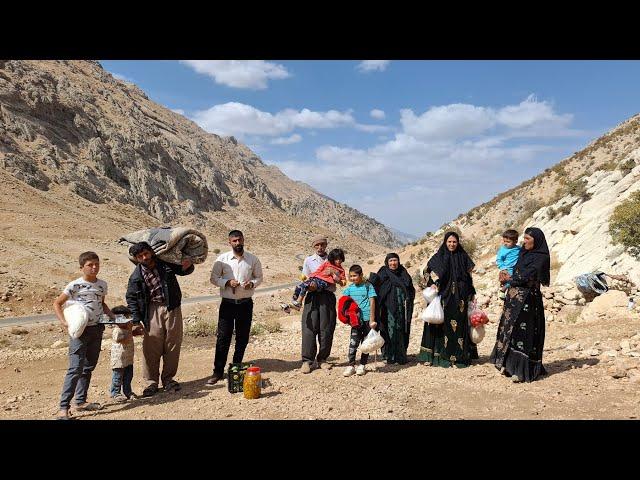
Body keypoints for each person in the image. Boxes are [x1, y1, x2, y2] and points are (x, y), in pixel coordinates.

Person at [125, 241, 194, 397]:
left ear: (151, 252)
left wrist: (187, 265)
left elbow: (182, 270)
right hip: (151, 310)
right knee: (151, 346)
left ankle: (168, 379)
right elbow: (131, 298)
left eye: (146, 253)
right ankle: (151, 382)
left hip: (172, 307)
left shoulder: (165, 264)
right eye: (140, 256)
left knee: (173, 344)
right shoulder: (136, 276)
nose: (144, 257)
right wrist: (136, 321)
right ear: (136, 258)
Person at [54, 251, 113, 419]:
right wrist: (65, 322)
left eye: (97, 264)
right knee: (75, 368)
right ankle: (63, 407)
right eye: (90, 265)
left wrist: (114, 317)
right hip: (80, 332)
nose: (94, 267)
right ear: (82, 268)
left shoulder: (102, 285)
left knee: (88, 367)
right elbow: (57, 303)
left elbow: (102, 303)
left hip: (97, 329)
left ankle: (80, 402)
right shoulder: (75, 285)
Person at [490, 227, 550, 383]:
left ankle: (523, 370)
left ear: (536, 241)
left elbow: (526, 276)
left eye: (528, 239)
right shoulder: (523, 253)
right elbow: (515, 270)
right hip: (513, 298)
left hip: (529, 301)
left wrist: (509, 279)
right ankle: (509, 366)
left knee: (526, 332)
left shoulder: (540, 257)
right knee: (511, 331)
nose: (525, 241)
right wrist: (504, 276)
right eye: (524, 238)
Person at [207, 230, 263, 385]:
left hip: (245, 304)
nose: (238, 243)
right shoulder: (222, 259)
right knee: (223, 338)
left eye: (239, 240)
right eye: (234, 241)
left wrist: (252, 283)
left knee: (242, 337)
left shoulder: (253, 259)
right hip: (227, 304)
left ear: (243, 240)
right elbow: (213, 278)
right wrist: (226, 282)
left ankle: (236, 367)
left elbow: (259, 277)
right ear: (229, 242)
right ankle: (217, 372)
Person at [417, 232, 477, 368]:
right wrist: (430, 283)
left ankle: (460, 357)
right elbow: (426, 271)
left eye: (454, 242)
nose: (452, 244)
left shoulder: (463, 256)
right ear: (445, 242)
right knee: (442, 325)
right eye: (449, 242)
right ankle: (441, 357)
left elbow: (469, 276)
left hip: (461, 296)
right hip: (443, 295)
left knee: (460, 325)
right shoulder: (439, 256)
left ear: (458, 243)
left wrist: (472, 292)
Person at [299, 236, 338, 373]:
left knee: (326, 328)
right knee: (309, 328)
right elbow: (305, 278)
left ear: (326, 245)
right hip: (312, 297)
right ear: (313, 246)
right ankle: (307, 361)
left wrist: (333, 273)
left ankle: (322, 359)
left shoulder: (333, 260)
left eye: (322, 245)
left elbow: (339, 280)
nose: (320, 247)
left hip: (327, 297)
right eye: (317, 245)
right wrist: (311, 286)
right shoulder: (309, 260)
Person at [374, 253, 415, 365]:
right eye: (391, 261)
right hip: (387, 308)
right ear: (387, 262)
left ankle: (401, 355)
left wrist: (408, 298)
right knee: (388, 329)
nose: (393, 263)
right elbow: (376, 287)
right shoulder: (383, 273)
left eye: (395, 260)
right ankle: (389, 355)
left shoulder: (403, 272)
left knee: (400, 329)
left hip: (402, 308)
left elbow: (410, 288)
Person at [282, 248, 346, 312]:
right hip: (316, 278)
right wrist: (311, 277)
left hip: (324, 282)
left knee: (306, 285)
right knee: (300, 286)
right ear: (332, 259)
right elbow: (319, 270)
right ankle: (294, 301)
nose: (338, 261)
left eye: (340, 259)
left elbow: (343, 281)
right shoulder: (327, 263)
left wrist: (334, 276)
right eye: (336, 259)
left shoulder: (341, 270)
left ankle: (299, 302)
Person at [341, 264, 377, 376]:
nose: (352, 278)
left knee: (365, 344)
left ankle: (362, 365)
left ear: (361, 275)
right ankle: (351, 365)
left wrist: (372, 320)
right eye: (350, 276)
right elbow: (343, 302)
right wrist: (346, 318)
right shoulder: (349, 289)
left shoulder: (368, 286)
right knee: (353, 343)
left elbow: (372, 302)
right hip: (355, 321)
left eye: (355, 276)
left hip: (367, 319)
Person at [109, 305, 144, 403]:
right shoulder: (117, 331)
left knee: (128, 376)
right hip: (119, 360)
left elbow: (130, 335)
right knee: (118, 376)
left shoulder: (126, 330)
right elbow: (123, 340)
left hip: (128, 358)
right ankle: (115, 393)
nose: (129, 321)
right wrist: (130, 330)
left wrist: (136, 331)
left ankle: (128, 392)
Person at [496, 229, 521, 299]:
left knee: (515, 280)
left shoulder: (518, 248)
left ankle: (506, 292)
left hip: (516, 268)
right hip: (507, 269)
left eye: (508, 242)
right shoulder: (503, 250)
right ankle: (503, 290)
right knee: (511, 279)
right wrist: (503, 269)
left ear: (515, 241)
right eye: (504, 241)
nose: (505, 243)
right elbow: (499, 260)